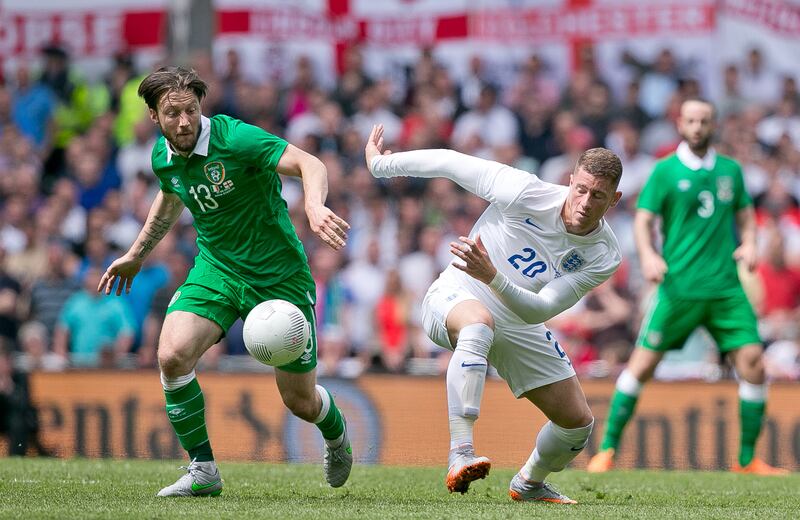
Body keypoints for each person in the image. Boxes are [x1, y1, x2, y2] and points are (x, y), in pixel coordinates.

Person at [98, 67, 352, 497]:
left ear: (202, 107)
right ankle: (203, 471)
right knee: (172, 355)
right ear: (154, 117)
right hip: (217, 269)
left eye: (191, 111)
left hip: (279, 277)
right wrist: (135, 254)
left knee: (300, 401)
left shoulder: (235, 139)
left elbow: (310, 163)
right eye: (172, 113)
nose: (183, 122)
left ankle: (337, 435)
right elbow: (171, 194)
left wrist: (312, 206)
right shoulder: (163, 155)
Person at [366, 124, 623, 504]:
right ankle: (461, 452)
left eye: (597, 196)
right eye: (580, 189)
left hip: (519, 316)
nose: (584, 201)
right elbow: (448, 162)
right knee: (478, 325)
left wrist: (494, 276)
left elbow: (542, 307)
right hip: (458, 294)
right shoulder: (524, 190)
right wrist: (380, 166)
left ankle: (529, 483)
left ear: (614, 200)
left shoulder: (604, 254)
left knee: (576, 425)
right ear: (570, 181)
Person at [588, 99, 789, 476]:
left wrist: (749, 243)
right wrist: (648, 256)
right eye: (691, 121)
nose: (697, 127)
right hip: (678, 287)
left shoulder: (731, 170)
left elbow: (746, 215)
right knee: (642, 364)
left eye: (704, 121)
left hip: (726, 290)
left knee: (753, 365)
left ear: (713, 126)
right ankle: (607, 450)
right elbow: (643, 219)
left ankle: (746, 460)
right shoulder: (664, 171)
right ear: (681, 124)